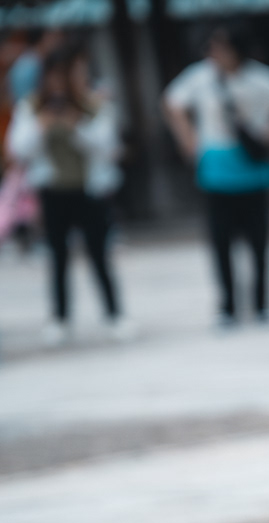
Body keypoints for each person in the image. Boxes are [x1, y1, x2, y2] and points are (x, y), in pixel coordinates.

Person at [162, 27, 269, 326]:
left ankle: (262, 305)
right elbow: (172, 102)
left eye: (222, 48)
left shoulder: (258, 78)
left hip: (251, 168)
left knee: (258, 242)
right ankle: (228, 306)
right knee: (221, 242)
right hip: (216, 167)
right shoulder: (201, 77)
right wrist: (188, 140)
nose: (215, 55)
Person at [5, 41, 127, 345]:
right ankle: (60, 318)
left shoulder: (93, 104)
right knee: (57, 256)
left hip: (90, 189)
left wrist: (76, 125)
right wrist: (42, 125)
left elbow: (108, 147)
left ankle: (114, 314)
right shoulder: (33, 107)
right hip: (52, 190)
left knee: (99, 253)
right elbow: (17, 149)